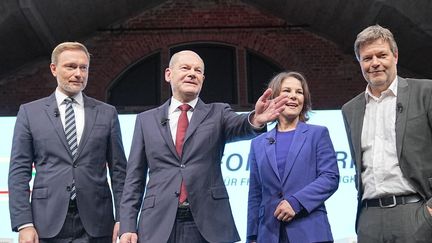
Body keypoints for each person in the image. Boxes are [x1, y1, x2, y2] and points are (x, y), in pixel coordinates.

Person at [119, 50, 288, 243]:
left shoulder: (218, 113)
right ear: (168, 74)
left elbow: (240, 126)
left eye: (198, 70)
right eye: (185, 68)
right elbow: (134, 178)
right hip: (158, 223)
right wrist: (127, 226)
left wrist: (255, 120)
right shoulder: (146, 120)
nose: (192, 73)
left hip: (208, 224)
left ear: (203, 79)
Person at [8, 42, 127, 243]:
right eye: (71, 66)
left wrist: (124, 219)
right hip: (45, 223)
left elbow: (119, 172)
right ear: (54, 69)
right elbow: (19, 172)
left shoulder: (107, 113)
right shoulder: (30, 113)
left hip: (97, 223)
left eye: (84, 67)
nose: (78, 73)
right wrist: (24, 224)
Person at [342, 24, 432, 243]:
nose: (374, 63)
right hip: (369, 218)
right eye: (367, 58)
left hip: (416, 211)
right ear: (360, 63)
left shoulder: (426, 92)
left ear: (395, 56)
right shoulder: (350, 109)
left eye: (381, 55)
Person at [246, 71, 339, 243]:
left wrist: (296, 203)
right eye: (287, 91)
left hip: (310, 231)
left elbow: (330, 178)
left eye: (299, 92)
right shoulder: (258, 143)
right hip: (269, 234)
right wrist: (252, 236)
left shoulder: (317, 134)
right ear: (274, 97)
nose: (293, 96)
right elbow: (255, 194)